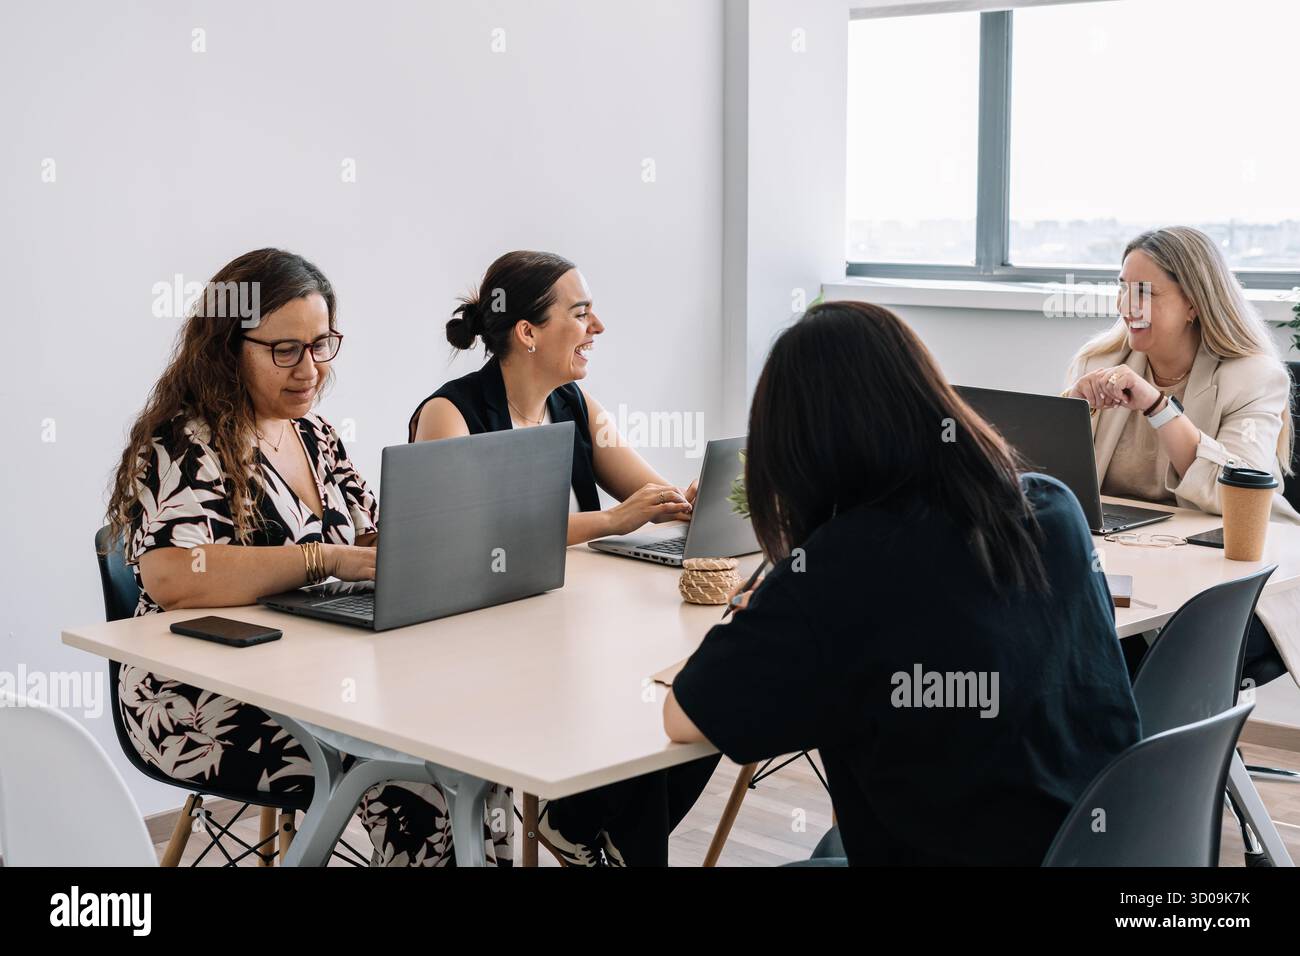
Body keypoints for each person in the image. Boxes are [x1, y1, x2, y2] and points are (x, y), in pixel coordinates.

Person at [663, 300, 1141, 866]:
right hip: (1100, 848)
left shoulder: (840, 564)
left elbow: (683, 716)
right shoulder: (1053, 505)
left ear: (799, 447)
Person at [105, 248, 506, 866]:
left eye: (322, 345)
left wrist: (426, 537)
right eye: (285, 350)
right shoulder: (183, 440)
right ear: (227, 346)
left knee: (478, 750)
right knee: (413, 772)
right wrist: (322, 559)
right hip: (199, 692)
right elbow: (175, 576)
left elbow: (366, 541)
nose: (310, 368)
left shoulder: (315, 435)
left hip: (318, 672)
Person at [409, 250, 718, 865]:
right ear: (527, 333)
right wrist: (609, 520)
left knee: (698, 694)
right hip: (485, 647)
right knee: (646, 700)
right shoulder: (451, 415)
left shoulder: (577, 406)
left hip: (572, 628)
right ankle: (582, 823)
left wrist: (692, 500)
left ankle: (581, 824)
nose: (596, 327)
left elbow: (650, 495)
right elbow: (471, 540)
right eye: (580, 314)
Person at [1064, 226, 1299, 685]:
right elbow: (1052, 481)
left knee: (1126, 662)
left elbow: (1239, 486)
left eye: (1145, 292)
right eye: (1122, 288)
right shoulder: (1099, 363)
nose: (1126, 306)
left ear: (1194, 303)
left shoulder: (1253, 376)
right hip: (1130, 566)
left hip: (1230, 571)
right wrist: (1071, 409)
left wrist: (1157, 407)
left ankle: (1165, 752)